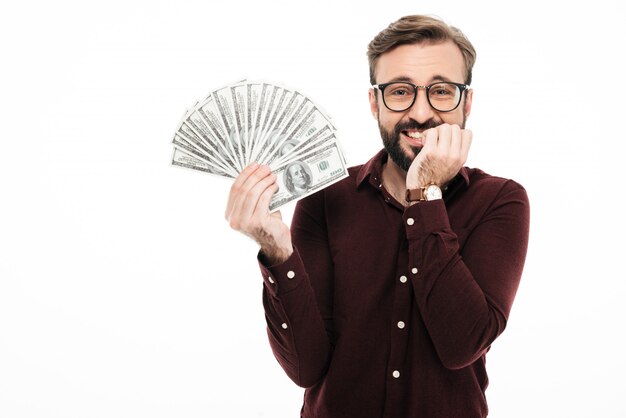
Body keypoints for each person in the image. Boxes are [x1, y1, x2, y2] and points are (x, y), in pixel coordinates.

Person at [224, 14, 529, 418]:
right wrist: (277, 252)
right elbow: (306, 368)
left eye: (441, 90)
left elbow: (462, 346)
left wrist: (425, 194)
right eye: (400, 91)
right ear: (374, 103)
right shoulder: (325, 198)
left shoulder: (501, 201)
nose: (421, 113)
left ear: (466, 102)